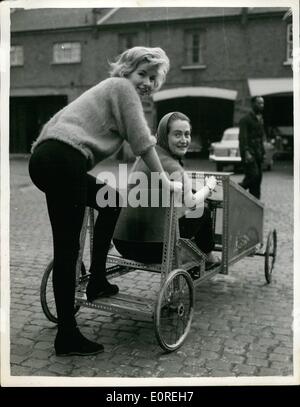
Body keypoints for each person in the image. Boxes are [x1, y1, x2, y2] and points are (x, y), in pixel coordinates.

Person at [28, 47, 182, 357]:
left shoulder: (107, 90)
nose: (147, 83)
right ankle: (67, 336)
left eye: (153, 78)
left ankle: (97, 278)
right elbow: (142, 142)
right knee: (68, 248)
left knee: (111, 200)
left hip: (49, 157)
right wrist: (165, 180)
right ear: (126, 71)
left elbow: (56, 124)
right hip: (62, 159)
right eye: (142, 74)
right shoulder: (122, 88)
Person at [113, 112, 220, 268]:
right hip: (153, 249)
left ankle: (195, 252)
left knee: (178, 214)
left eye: (187, 134)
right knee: (203, 211)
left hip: (123, 244)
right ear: (165, 135)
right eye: (177, 134)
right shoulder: (173, 166)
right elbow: (192, 202)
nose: (184, 140)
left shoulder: (148, 157)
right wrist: (209, 186)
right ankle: (209, 256)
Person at [238, 96, 266, 199]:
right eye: (259, 103)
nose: (261, 105)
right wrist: (246, 152)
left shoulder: (260, 119)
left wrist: (263, 152)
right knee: (253, 175)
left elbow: (260, 137)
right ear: (253, 104)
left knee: (258, 178)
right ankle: (237, 189)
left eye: (262, 103)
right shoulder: (245, 120)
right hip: (249, 152)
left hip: (258, 152)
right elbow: (242, 138)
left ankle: (255, 201)